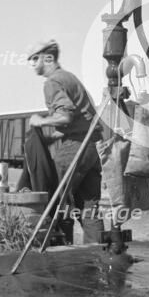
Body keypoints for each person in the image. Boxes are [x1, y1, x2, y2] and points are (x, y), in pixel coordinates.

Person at [27, 39, 104, 244]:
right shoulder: (70, 78)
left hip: (74, 149)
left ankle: (61, 249)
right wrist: (54, 136)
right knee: (89, 204)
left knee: (60, 199)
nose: (32, 64)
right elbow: (79, 121)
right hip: (92, 147)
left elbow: (65, 117)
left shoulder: (53, 82)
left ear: (48, 58)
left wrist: (40, 121)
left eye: (35, 58)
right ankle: (97, 250)